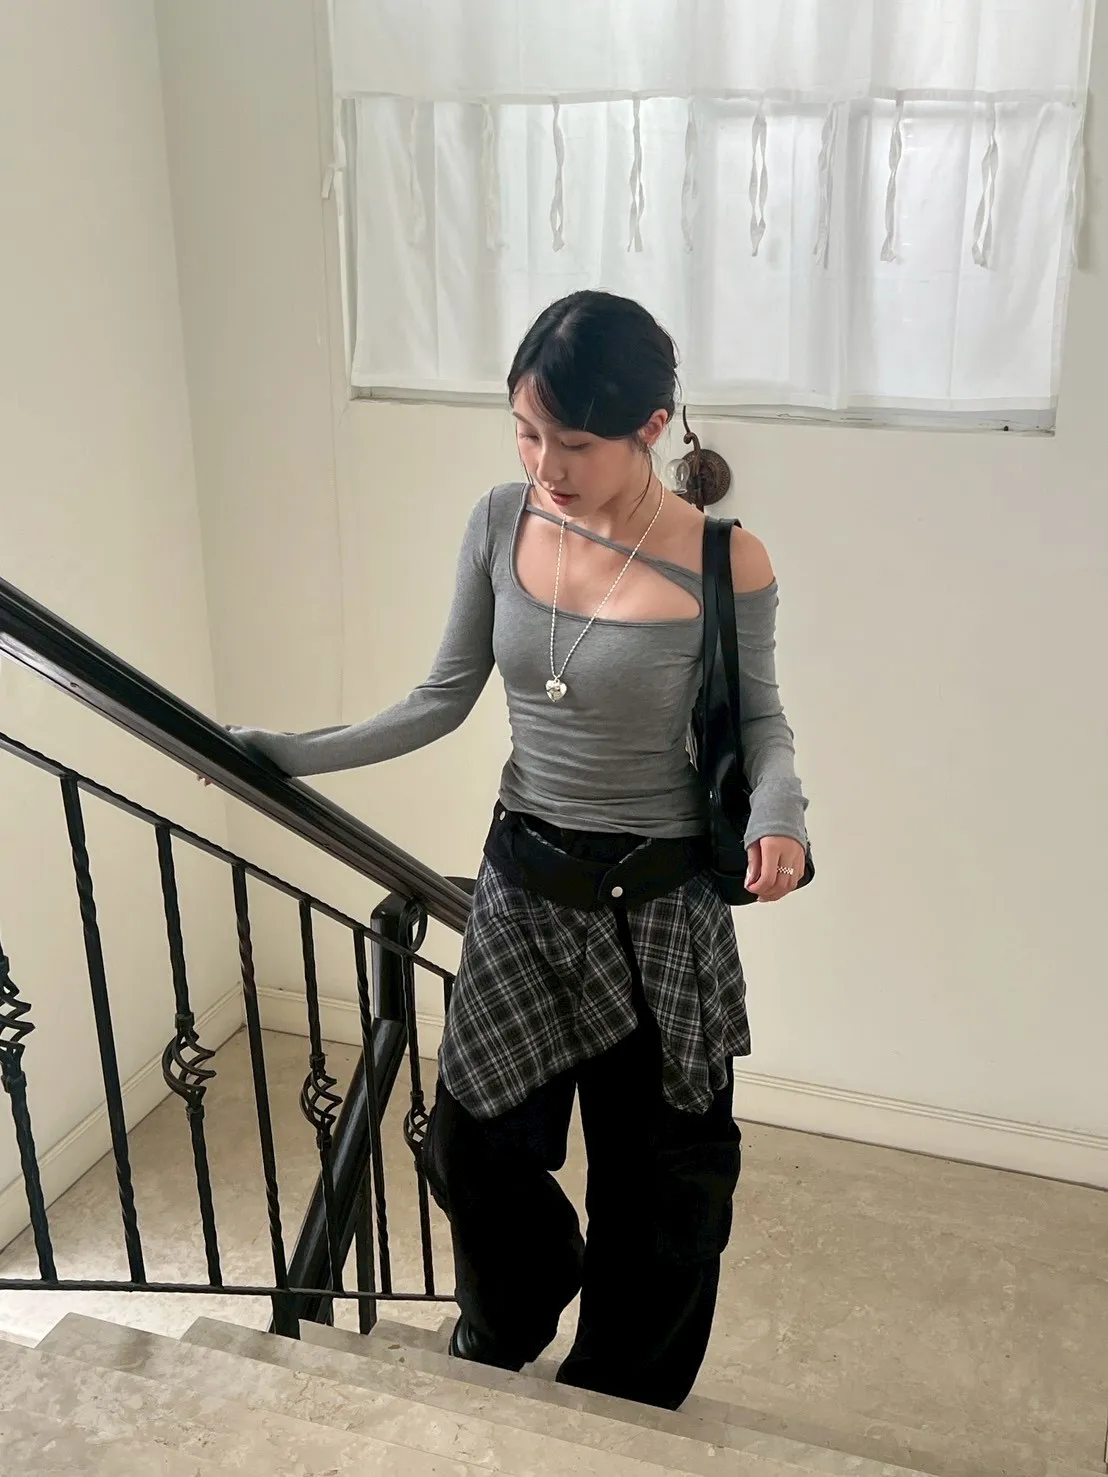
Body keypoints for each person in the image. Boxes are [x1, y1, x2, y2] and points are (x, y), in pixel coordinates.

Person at [232, 290, 808, 1411]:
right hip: (525, 885)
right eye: (527, 432)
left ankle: (622, 1398)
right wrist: (285, 755)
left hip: (659, 907)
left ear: (651, 426)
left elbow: (764, 726)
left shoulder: (724, 560)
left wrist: (780, 816)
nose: (547, 464)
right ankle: (514, 1310)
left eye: (575, 442)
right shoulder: (500, 520)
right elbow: (439, 698)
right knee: (471, 1144)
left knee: (661, 1186)